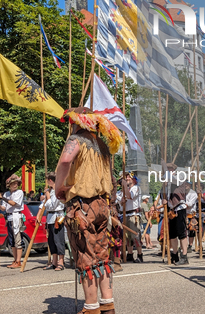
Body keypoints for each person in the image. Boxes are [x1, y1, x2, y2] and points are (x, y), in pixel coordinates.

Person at [55, 107, 122, 314]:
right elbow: (110, 177)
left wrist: (59, 186)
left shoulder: (75, 139)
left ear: (77, 122)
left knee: (86, 257)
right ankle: (108, 305)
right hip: (103, 206)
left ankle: (91, 308)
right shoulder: (102, 145)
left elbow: (65, 161)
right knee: (102, 256)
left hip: (83, 206)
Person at [164, 162, 190, 266]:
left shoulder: (180, 175)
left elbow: (174, 180)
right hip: (171, 210)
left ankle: (184, 256)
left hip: (180, 208)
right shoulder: (166, 180)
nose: (168, 170)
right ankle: (175, 255)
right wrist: (164, 199)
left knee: (181, 233)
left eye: (169, 168)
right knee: (172, 235)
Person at [0, 174, 24, 269]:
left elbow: (13, 203)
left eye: (16, 183)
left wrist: (1, 198)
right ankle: (15, 259)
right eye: (13, 183)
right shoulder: (6, 194)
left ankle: (18, 261)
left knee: (18, 239)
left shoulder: (19, 192)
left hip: (16, 216)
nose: (15, 185)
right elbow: (4, 208)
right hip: (9, 217)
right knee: (11, 240)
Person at [43, 173, 65, 271]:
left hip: (57, 216)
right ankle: (54, 261)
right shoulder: (51, 191)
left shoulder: (58, 191)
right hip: (50, 217)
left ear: (50, 181)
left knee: (58, 240)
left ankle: (61, 262)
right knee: (51, 240)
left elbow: (52, 205)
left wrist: (47, 197)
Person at [123, 172, 143, 263]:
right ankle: (130, 254)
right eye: (126, 177)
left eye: (128, 177)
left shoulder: (136, 188)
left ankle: (140, 255)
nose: (127, 179)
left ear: (133, 179)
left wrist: (124, 187)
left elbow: (130, 196)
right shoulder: (126, 189)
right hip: (126, 214)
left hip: (134, 215)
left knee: (135, 235)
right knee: (128, 237)